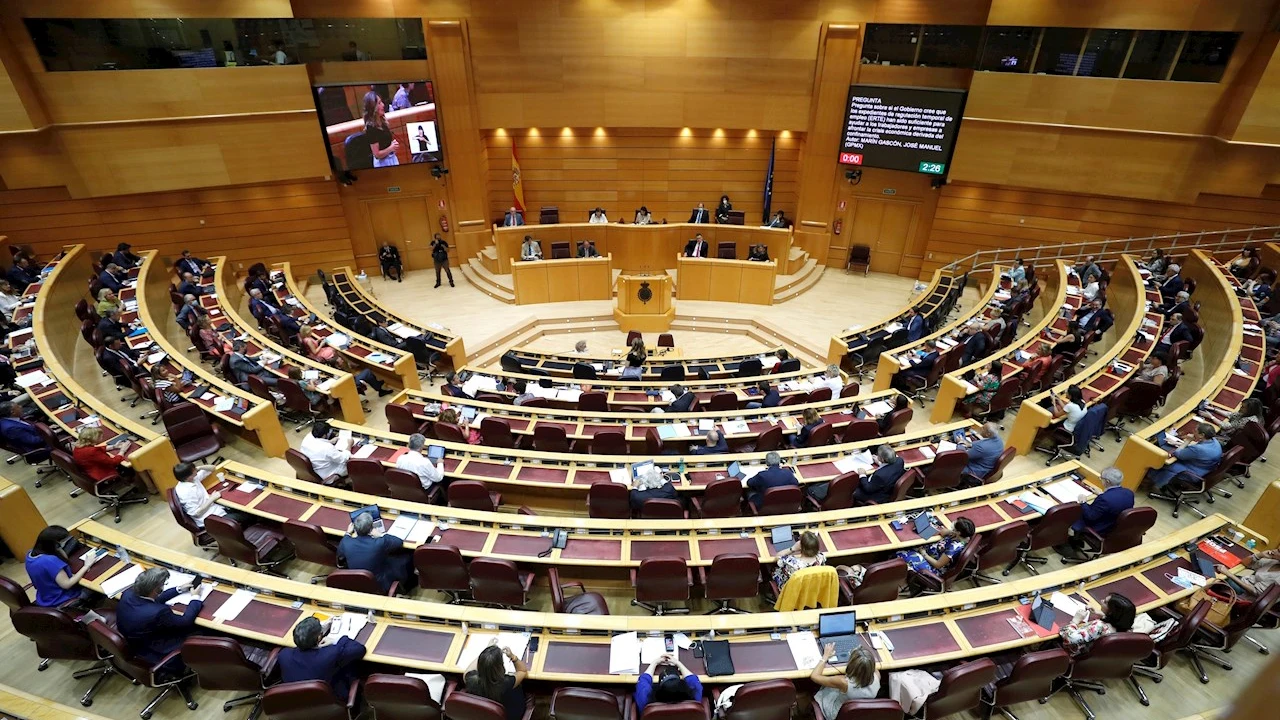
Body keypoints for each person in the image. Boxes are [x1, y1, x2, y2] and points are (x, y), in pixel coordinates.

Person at [116, 567, 204, 674]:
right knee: (203, 630)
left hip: (136, 643)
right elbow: (185, 621)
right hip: (159, 649)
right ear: (157, 590)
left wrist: (179, 589)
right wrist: (195, 597)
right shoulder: (159, 612)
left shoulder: (128, 594)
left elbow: (152, 600)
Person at [279, 617, 367, 700]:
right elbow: (360, 649)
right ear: (319, 638)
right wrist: (334, 640)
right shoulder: (330, 654)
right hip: (330, 701)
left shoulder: (284, 655)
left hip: (297, 702)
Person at [339, 511, 414, 593]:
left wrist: (348, 533)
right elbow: (399, 542)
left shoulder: (346, 542)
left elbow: (340, 555)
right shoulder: (379, 543)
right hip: (380, 584)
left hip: (357, 582)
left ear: (355, 528)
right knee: (408, 556)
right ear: (371, 529)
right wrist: (381, 534)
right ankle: (409, 584)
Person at [171, 460, 256, 529]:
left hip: (215, 508)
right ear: (188, 476)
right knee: (248, 515)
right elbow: (195, 513)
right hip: (209, 519)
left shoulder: (191, 479)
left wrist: (198, 468)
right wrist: (212, 498)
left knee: (240, 506)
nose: (196, 471)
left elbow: (212, 468)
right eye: (194, 471)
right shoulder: (186, 492)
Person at [25, 526, 93, 608]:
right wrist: (86, 566)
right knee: (93, 588)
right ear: (54, 543)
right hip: (61, 599)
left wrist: (58, 548)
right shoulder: (50, 561)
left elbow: (64, 559)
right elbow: (67, 584)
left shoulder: (31, 554)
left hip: (45, 597)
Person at [811, 645, 880, 720]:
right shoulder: (877, 676)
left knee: (823, 689)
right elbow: (869, 668)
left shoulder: (843, 682)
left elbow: (814, 676)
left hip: (838, 715)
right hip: (859, 715)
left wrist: (825, 656)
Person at [1146, 422, 1221, 491]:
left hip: (1192, 473)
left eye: (1195, 431)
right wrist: (1177, 443)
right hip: (1205, 469)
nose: (1193, 431)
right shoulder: (1213, 441)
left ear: (1202, 435)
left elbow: (1178, 453)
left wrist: (1188, 440)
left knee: (1164, 461)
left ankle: (1154, 483)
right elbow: (1195, 447)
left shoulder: (1199, 449)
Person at [465, 644, 528, 720]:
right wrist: (513, 657)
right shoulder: (506, 682)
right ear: (500, 666)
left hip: (486, 715)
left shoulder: (471, 679)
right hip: (509, 715)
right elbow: (522, 671)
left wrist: (485, 656)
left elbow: (467, 671)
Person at [895, 517, 976, 575]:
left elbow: (938, 565)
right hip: (931, 551)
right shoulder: (959, 536)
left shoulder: (953, 548)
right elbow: (942, 532)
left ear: (959, 532)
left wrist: (923, 554)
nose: (953, 524)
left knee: (901, 553)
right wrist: (950, 531)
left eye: (955, 526)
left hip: (933, 567)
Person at [1059, 593, 1135, 655]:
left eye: (1105, 602)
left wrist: (1075, 621)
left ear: (1111, 612)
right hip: (1104, 660)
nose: (1101, 601)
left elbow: (1071, 638)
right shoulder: (1125, 626)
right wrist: (1101, 613)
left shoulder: (1099, 626)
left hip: (1078, 655)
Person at [1069, 466, 1134, 538]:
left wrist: (1083, 501)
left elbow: (1090, 517)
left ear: (1107, 481)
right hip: (1113, 523)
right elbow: (1114, 503)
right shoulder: (1129, 493)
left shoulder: (1104, 499)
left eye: (1101, 478)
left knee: (1071, 512)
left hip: (1099, 528)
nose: (1100, 479)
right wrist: (1102, 494)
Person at [635, 654, 702, 715]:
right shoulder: (693, 698)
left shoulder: (646, 700)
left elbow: (643, 680)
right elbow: (693, 680)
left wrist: (654, 663)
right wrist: (678, 663)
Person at [359, 90, 399, 168]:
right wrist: (391, 148)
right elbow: (377, 154)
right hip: (383, 163)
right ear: (373, 107)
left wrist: (392, 145)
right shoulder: (371, 128)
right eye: (379, 103)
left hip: (392, 158)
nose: (383, 105)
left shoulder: (382, 121)